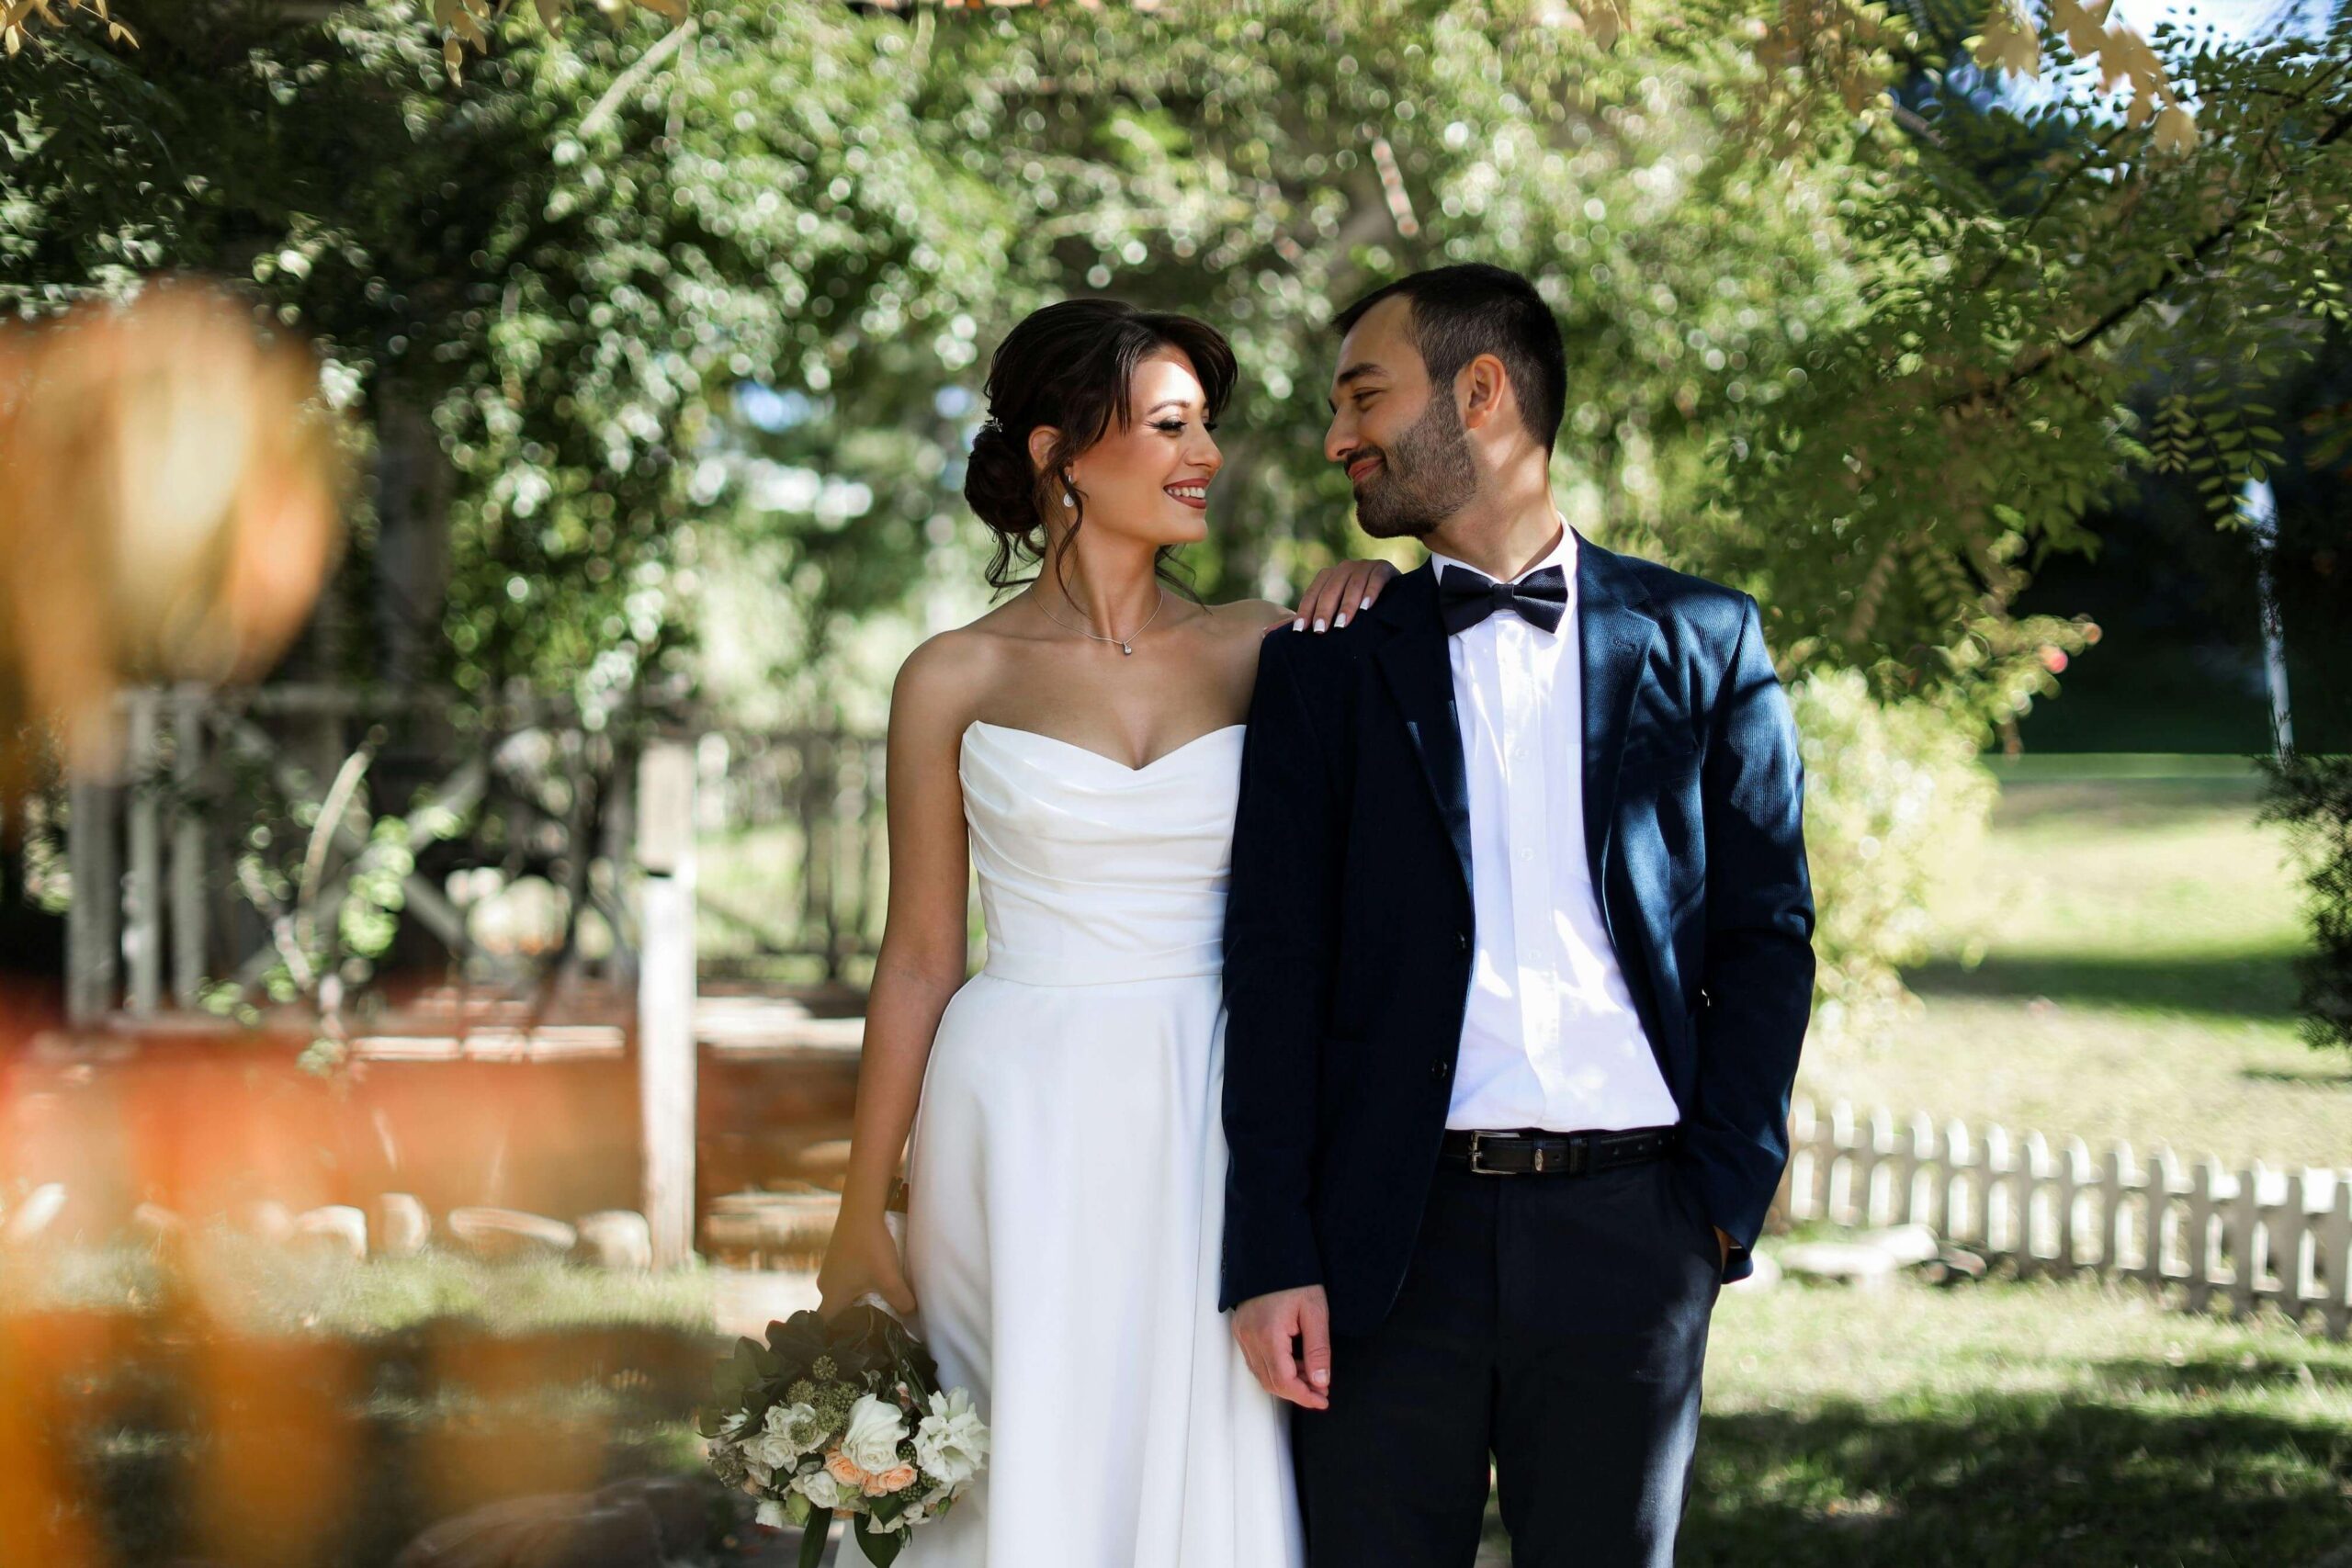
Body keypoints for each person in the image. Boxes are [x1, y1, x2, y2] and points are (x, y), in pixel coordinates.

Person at [1221, 263, 1816, 1568]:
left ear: (1479, 393)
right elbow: (1273, 968)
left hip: (1639, 1231)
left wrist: (1724, 1194)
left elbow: (1767, 938)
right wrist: (1271, 1249)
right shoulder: (1327, 665)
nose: (1337, 439)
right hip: (1388, 1242)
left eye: (1363, 397)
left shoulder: (1706, 638)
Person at [814, 296, 1392, 1566]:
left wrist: (1375, 584)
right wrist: (866, 1204)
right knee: (1020, 1438)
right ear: (1056, 451)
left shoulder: (1266, 643)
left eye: (1207, 426)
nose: (1207, 456)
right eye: (1170, 425)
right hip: (1012, 1106)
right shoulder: (952, 676)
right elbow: (918, 954)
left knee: (1208, 1424)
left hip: (1215, 1093)